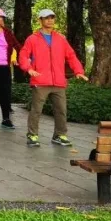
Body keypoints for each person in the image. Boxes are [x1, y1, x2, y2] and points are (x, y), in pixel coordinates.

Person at [18, 8, 88, 147]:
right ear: (40, 20)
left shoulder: (61, 39)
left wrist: (78, 71)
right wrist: (28, 68)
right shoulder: (32, 39)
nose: (50, 20)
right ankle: (32, 135)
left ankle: (59, 135)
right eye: (46, 18)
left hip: (58, 82)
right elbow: (23, 55)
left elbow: (71, 56)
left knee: (61, 110)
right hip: (40, 81)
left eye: (52, 17)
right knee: (36, 110)